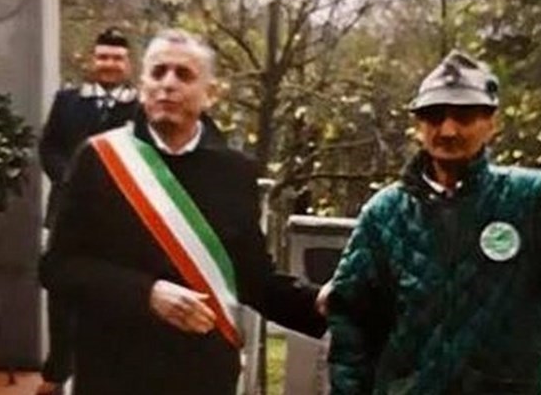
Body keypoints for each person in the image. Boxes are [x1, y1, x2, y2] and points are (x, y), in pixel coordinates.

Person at [325, 50, 541, 394]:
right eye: (435, 116)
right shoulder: (384, 214)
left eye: (464, 116)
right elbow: (351, 325)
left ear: (491, 123)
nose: (448, 129)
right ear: (418, 126)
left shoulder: (532, 200)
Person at [39, 28, 326, 395]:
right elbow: (58, 267)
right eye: (158, 73)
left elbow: (252, 278)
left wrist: (318, 302)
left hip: (202, 373)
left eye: (184, 75)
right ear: (142, 86)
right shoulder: (98, 159)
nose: (168, 84)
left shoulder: (235, 172)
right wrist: (147, 293)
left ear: (210, 93)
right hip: (114, 369)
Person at [37, 27, 138, 395]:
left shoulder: (140, 107)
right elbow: (49, 147)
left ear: (128, 64)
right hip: (68, 212)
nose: (109, 64)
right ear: (93, 60)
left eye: (117, 58)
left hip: (120, 218)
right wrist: (70, 179)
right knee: (61, 291)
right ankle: (56, 371)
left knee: (112, 293)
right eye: (103, 57)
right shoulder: (67, 101)